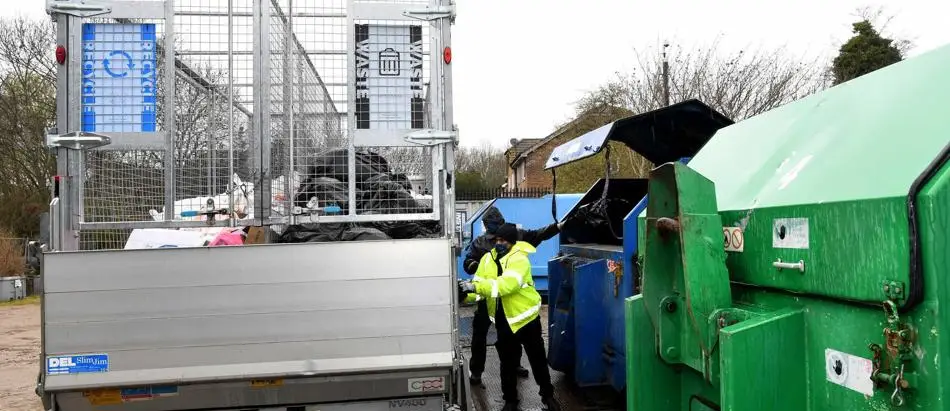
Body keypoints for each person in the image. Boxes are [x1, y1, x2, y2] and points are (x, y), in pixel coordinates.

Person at [459, 223, 561, 411]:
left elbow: (507, 285)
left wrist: (476, 287)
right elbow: (481, 288)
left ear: (513, 242)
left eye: (504, 240)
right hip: (504, 321)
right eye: (498, 239)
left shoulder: (519, 259)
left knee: (537, 360)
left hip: (526, 319)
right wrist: (466, 293)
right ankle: (510, 400)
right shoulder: (487, 260)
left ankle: (547, 396)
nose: (500, 243)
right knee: (507, 363)